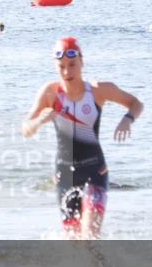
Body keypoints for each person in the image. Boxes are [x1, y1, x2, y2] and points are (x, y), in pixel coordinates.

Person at [22, 37, 143, 239]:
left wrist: (128, 119)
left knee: (90, 236)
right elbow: (25, 128)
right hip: (64, 176)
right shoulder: (50, 93)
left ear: (82, 62)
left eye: (72, 65)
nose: (67, 72)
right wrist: (38, 121)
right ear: (56, 66)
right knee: (74, 243)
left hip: (95, 171)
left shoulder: (98, 90)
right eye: (61, 67)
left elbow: (135, 103)